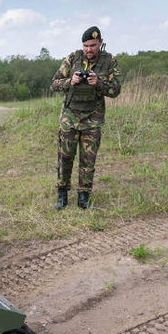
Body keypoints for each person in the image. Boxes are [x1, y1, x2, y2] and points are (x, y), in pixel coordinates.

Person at [49, 26, 122, 209]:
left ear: (100, 43)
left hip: (93, 119)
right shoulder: (73, 58)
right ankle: (62, 194)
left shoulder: (109, 61)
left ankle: (84, 196)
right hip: (70, 118)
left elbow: (116, 90)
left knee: (88, 161)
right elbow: (54, 84)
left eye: (93, 45)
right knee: (65, 158)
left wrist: (99, 83)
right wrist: (70, 81)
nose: (89, 49)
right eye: (86, 45)